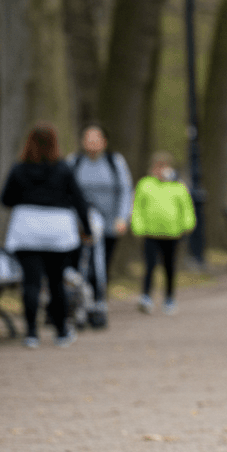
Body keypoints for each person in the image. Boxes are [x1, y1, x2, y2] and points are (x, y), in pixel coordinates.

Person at [0, 122, 92, 349]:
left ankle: (31, 333)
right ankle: (61, 331)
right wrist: (87, 229)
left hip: (27, 228)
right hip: (56, 230)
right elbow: (78, 200)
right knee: (56, 282)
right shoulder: (63, 169)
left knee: (31, 283)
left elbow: (6, 199)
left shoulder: (19, 169)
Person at [66, 124, 133, 324]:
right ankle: (78, 305)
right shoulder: (74, 162)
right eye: (88, 139)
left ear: (104, 142)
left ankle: (98, 303)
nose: (92, 143)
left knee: (101, 264)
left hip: (109, 225)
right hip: (79, 226)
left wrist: (123, 217)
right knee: (79, 266)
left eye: (96, 139)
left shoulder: (115, 162)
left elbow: (125, 191)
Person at [131, 152, 195, 315]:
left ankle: (169, 298)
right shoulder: (145, 184)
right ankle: (146, 296)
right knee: (150, 266)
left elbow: (186, 207)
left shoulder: (178, 186)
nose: (160, 170)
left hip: (172, 233)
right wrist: (137, 226)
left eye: (163, 166)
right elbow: (138, 207)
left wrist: (188, 224)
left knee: (169, 267)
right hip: (150, 233)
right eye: (157, 167)